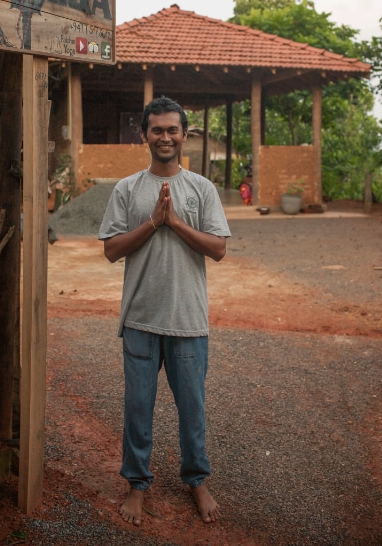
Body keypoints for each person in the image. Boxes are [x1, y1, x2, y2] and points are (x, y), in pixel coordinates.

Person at [99, 95, 230, 526]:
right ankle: (137, 484)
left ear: (185, 134)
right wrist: (154, 221)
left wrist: (175, 222)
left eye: (173, 129)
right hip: (140, 318)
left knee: (192, 407)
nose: (166, 136)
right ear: (144, 135)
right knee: (138, 408)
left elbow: (219, 249)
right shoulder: (127, 189)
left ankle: (197, 479)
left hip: (188, 320)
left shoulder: (202, 189)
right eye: (157, 129)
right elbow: (112, 251)